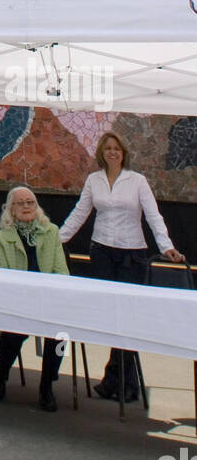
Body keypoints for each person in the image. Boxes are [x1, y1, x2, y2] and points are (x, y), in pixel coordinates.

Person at [58, 130, 184, 402]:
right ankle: (117, 380)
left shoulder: (137, 181)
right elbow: (81, 211)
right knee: (110, 316)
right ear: (102, 154)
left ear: (124, 152)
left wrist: (166, 246)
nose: (112, 152)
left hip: (132, 254)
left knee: (127, 317)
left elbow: (153, 215)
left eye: (117, 148)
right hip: (102, 251)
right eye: (107, 148)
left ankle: (124, 382)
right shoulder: (94, 180)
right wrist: (57, 239)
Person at [0, 187, 68, 412]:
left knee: (61, 336)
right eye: (21, 203)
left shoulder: (51, 231)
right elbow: (0, 274)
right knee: (13, 332)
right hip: (18, 301)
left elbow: (61, 272)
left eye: (31, 202)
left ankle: (47, 386)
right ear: (11, 209)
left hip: (48, 300)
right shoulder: (1, 237)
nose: (27, 207)